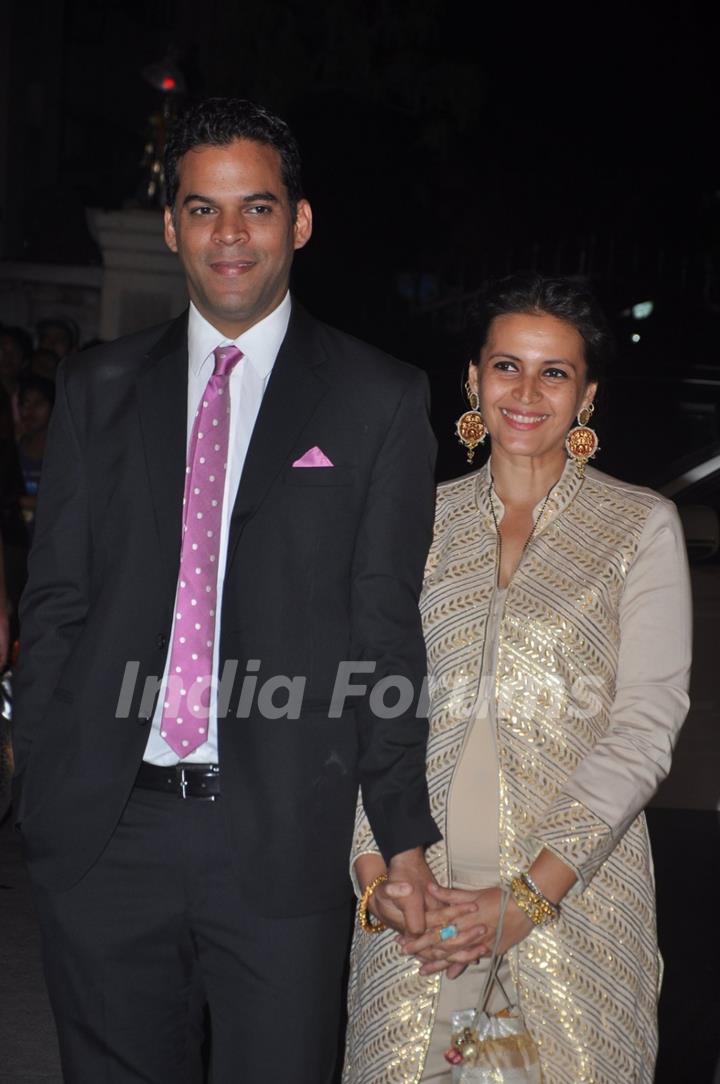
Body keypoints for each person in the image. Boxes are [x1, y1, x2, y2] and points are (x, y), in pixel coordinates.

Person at [12, 97, 441, 1084]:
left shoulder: (377, 399)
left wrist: (401, 827)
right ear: (170, 227)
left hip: (285, 835)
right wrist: (48, 772)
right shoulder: (98, 386)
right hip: (106, 831)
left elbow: (384, 630)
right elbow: (59, 599)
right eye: (202, 210)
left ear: (298, 221)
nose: (229, 234)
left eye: (254, 207)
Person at [343, 272, 692, 1084]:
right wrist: (376, 875)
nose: (526, 392)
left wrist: (531, 899)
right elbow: (365, 707)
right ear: (473, 379)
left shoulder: (638, 527)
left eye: (555, 372)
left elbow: (644, 726)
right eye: (506, 367)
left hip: (567, 907)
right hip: (418, 904)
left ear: (587, 395)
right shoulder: (413, 520)